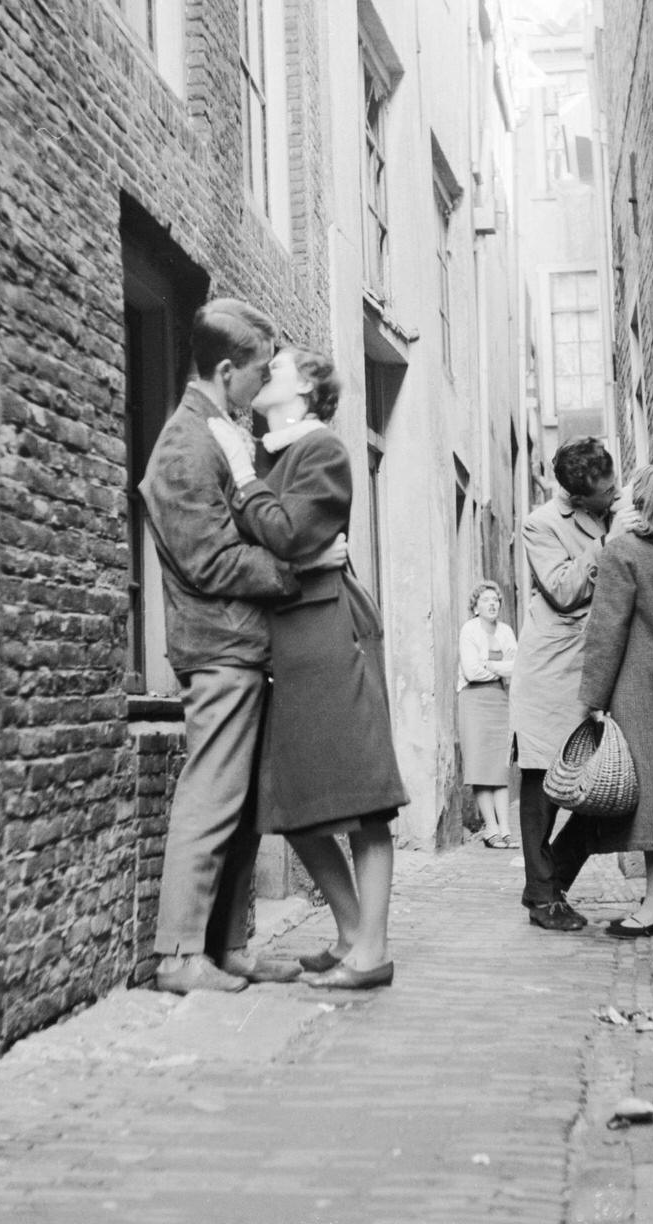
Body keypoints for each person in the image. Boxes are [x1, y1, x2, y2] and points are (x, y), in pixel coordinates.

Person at [140, 300, 341, 995]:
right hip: (218, 648)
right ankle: (177, 956)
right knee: (211, 794)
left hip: (242, 645)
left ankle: (225, 947)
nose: (262, 391)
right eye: (257, 375)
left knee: (243, 803)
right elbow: (210, 562)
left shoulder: (217, 432)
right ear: (227, 371)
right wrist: (300, 570)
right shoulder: (184, 445)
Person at [208, 346, 408, 990]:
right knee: (293, 803)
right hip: (291, 637)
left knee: (363, 798)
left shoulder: (323, 451)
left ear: (308, 389)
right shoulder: (273, 451)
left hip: (330, 632)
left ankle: (371, 952)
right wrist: (289, 539)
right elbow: (262, 537)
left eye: (282, 365)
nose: (267, 370)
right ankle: (351, 932)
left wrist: (242, 473)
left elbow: (285, 532)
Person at [553, 464, 653, 937]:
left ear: (639, 503)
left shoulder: (623, 553)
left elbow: (605, 631)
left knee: (644, 799)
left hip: (637, 688)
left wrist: (592, 697)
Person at [509, 437, 623, 932]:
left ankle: (545, 885)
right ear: (577, 499)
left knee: (614, 789)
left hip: (601, 667)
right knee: (544, 784)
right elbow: (561, 589)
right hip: (553, 672)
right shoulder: (542, 525)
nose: (614, 494)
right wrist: (607, 542)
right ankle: (543, 894)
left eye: (615, 482)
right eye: (605, 492)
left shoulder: (616, 509)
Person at [457, 581, 518, 848]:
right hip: (474, 699)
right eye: (486, 600)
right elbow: (471, 672)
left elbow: (517, 666)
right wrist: (501, 667)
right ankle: (490, 829)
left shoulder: (505, 632)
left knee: (499, 768)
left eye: (495, 600)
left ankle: (505, 829)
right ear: (475, 606)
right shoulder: (469, 630)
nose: (492, 604)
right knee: (480, 766)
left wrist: (489, 665)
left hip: (499, 700)